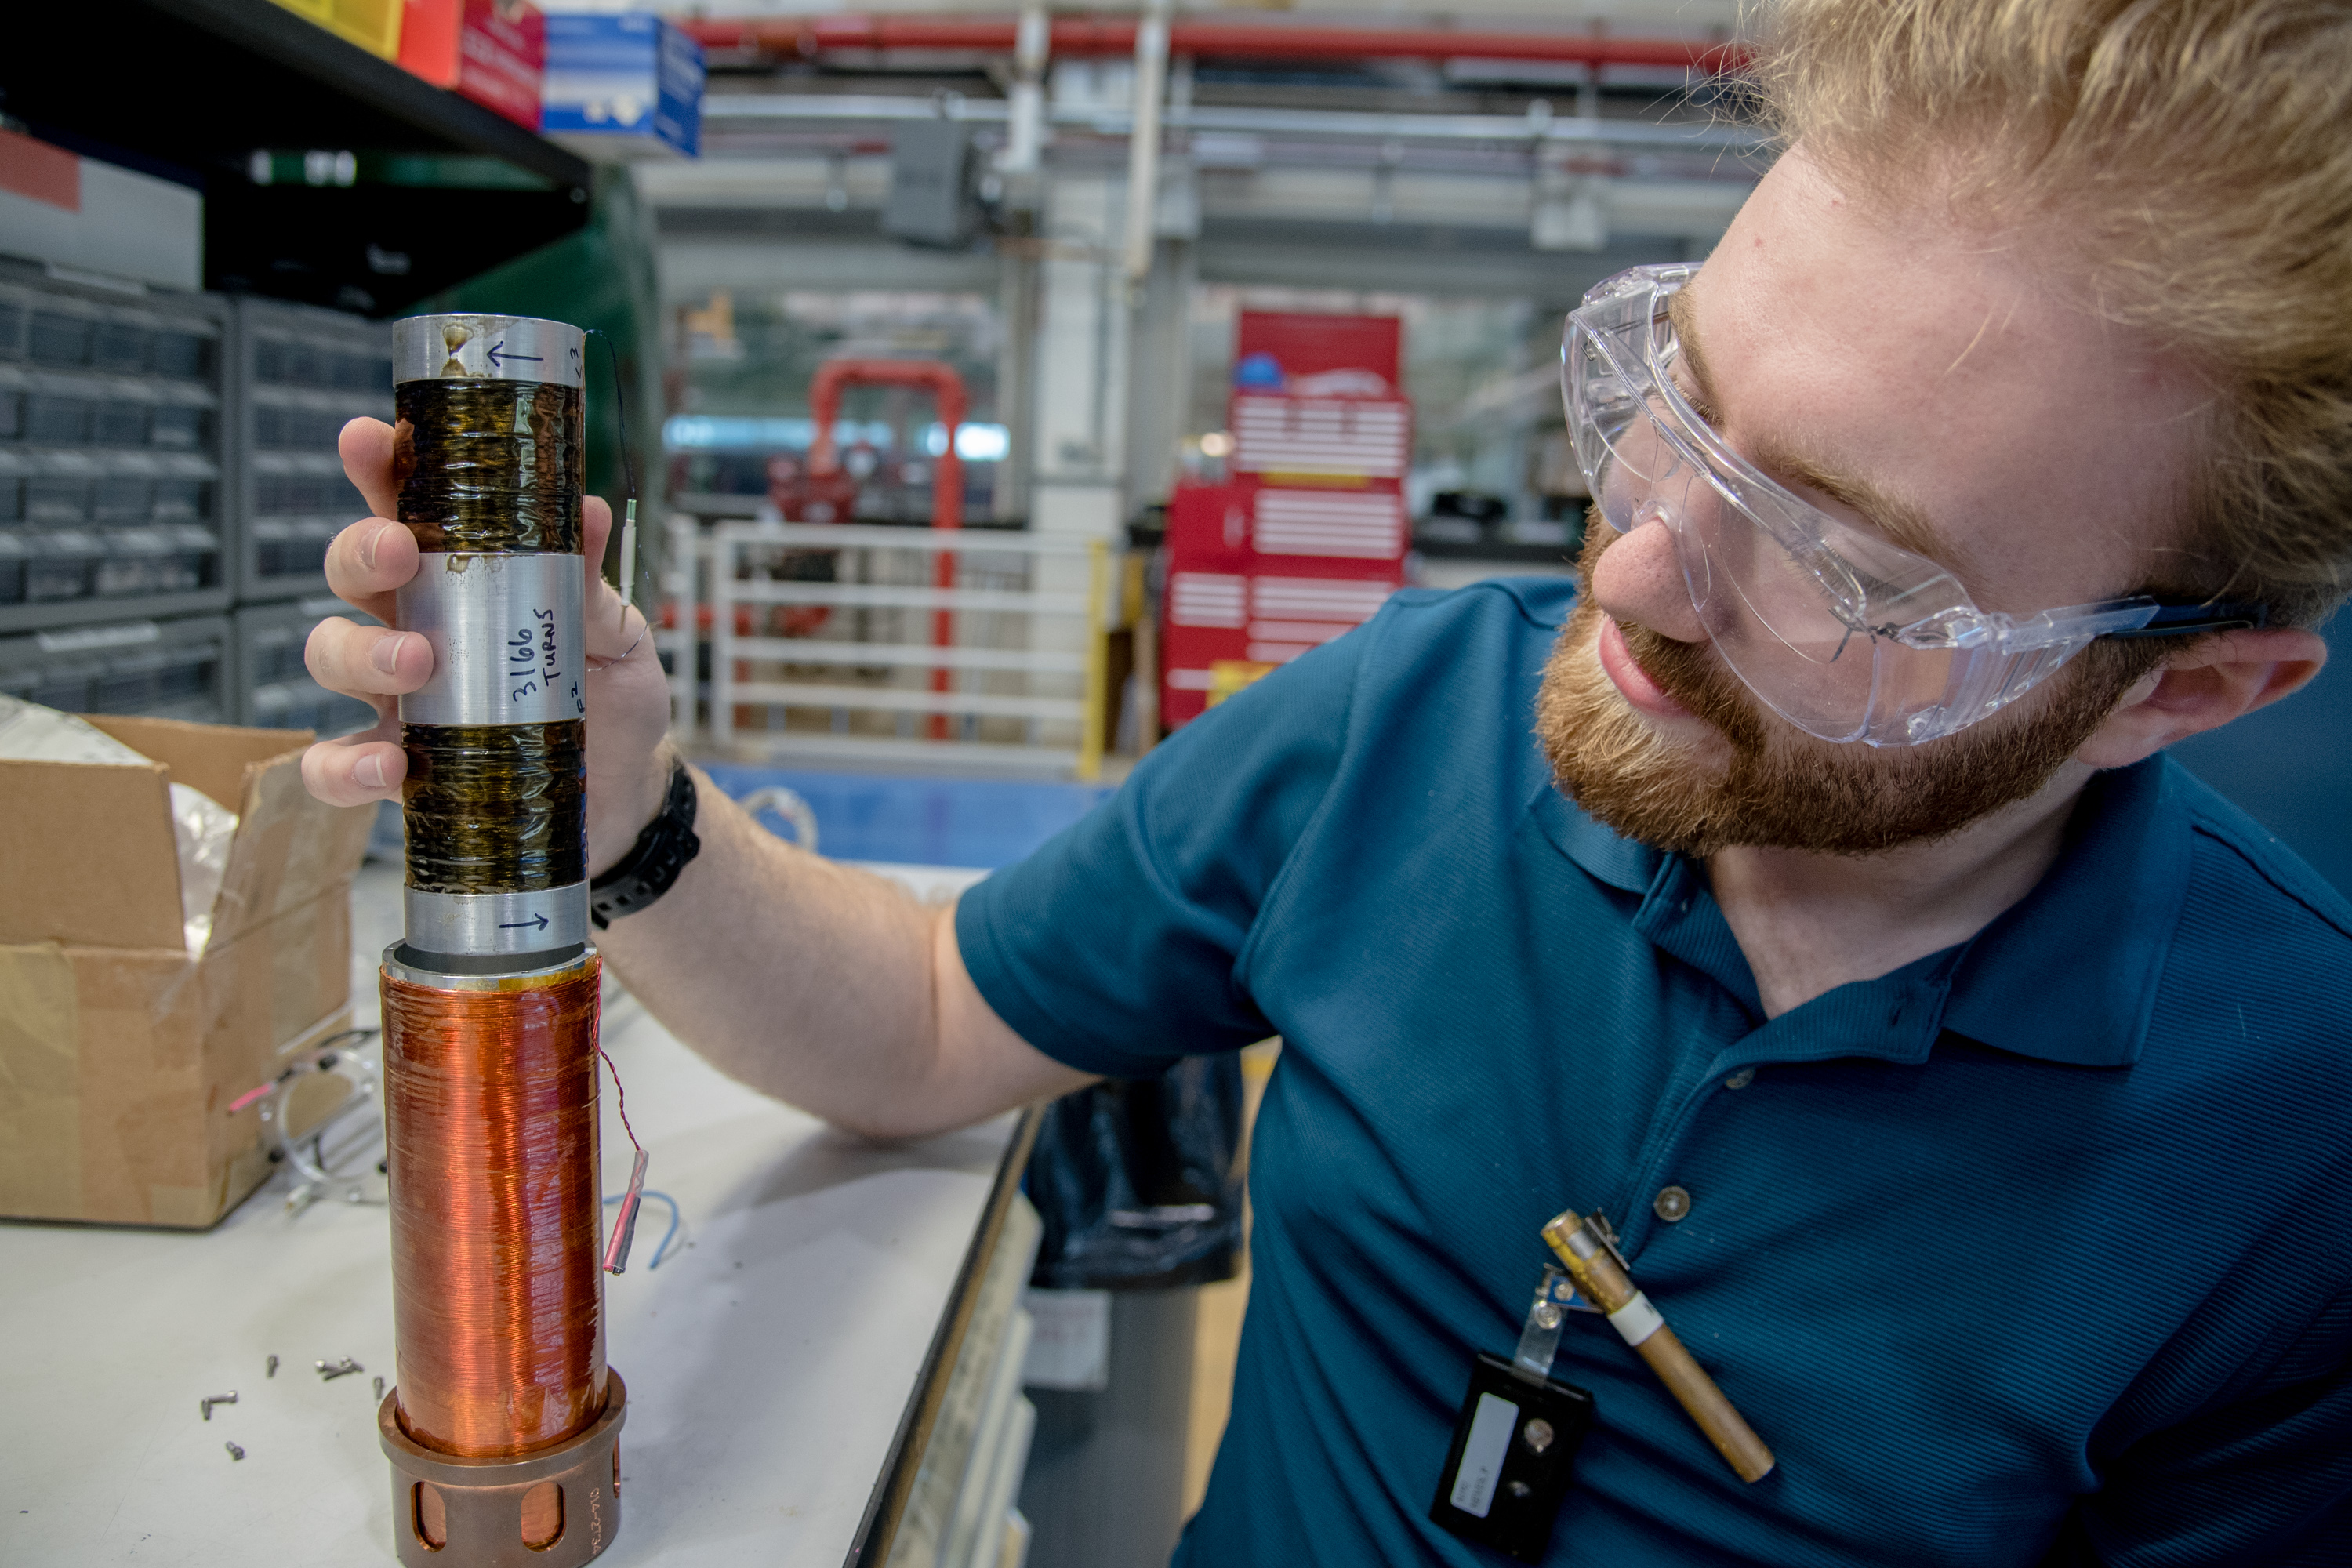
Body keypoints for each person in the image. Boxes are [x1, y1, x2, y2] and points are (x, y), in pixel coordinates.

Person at [301, 0, 2352, 1560]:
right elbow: (929, 1021)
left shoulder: (2293, 1152)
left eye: (1841, 556)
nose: (1631, 570)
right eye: (1676, 399)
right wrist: (631, 819)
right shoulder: (1408, 734)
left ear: (2183, 692)